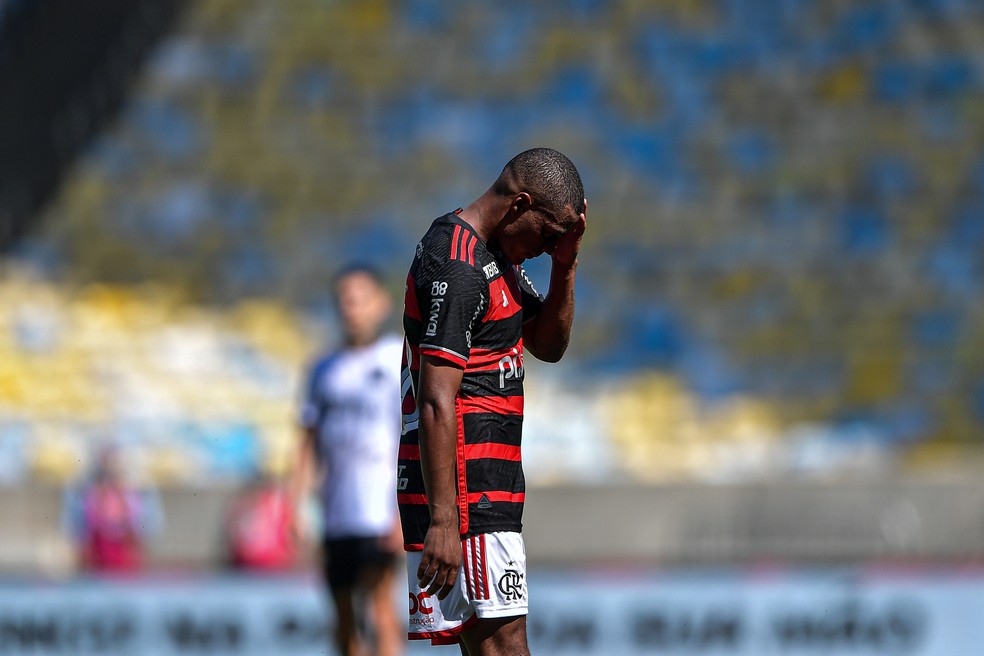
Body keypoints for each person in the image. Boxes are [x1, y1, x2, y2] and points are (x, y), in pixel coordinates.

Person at [398, 147, 587, 654]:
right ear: (519, 204)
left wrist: (565, 267)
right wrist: (445, 520)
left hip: (489, 491)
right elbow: (437, 397)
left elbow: (548, 345)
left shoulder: (497, 257)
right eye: (548, 236)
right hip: (465, 493)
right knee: (506, 646)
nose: (548, 249)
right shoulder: (457, 264)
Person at [295, 264, 404, 656]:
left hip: (380, 509)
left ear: (380, 304)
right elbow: (307, 441)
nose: (350, 308)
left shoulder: (396, 360)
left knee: (379, 609)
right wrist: (299, 506)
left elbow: (415, 436)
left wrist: (404, 510)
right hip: (336, 511)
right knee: (342, 615)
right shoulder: (322, 370)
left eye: (358, 299)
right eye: (343, 300)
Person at [62, 445, 163, 573]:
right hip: (99, 561)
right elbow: (79, 534)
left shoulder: (132, 498)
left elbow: (144, 531)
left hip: (123, 563)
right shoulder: (91, 497)